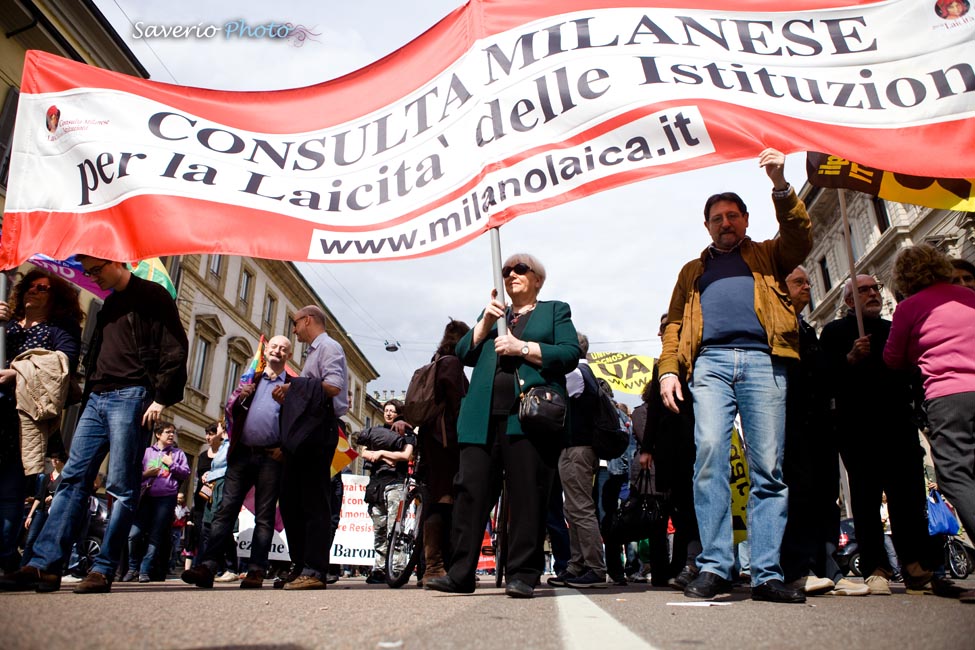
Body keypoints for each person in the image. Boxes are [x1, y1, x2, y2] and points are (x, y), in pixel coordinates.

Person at [657, 148, 812, 604]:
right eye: (716, 217)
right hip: (710, 365)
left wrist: (780, 186)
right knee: (709, 458)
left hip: (764, 361)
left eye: (732, 215)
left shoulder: (767, 255)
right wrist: (669, 371)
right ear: (706, 226)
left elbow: (800, 236)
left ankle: (765, 573)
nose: (725, 223)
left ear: (745, 219)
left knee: (768, 467)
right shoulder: (692, 272)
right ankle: (716, 566)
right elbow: (674, 325)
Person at [0, 256, 188, 594]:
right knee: (72, 479)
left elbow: (175, 348)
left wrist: (161, 398)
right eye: (87, 272)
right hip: (96, 398)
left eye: (95, 270)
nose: (92, 277)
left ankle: (103, 569)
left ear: (116, 262)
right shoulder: (109, 304)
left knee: (121, 485)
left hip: (132, 396)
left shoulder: (153, 296)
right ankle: (45, 565)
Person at [425, 253, 581, 599]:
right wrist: (483, 325)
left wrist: (522, 347)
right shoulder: (493, 314)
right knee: (470, 495)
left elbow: (569, 354)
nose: (511, 274)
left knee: (528, 495)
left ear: (538, 279)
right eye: (506, 270)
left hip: (527, 417)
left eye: (520, 269)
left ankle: (523, 573)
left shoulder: (555, 310)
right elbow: (465, 354)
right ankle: (461, 572)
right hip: (481, 417)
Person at [820, 274, 942, 597]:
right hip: (858, 431)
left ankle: (915, 564)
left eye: (875, 288)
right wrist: (849, 360)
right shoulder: (834, 334)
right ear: (849, 301)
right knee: (865, 499)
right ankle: (876, 568)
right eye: (864, 290)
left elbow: (915, 372)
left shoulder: (893, 329)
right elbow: (824, 379)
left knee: (909, 498)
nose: (873, 293)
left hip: (898, 427)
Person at [883, 244, 975, 603]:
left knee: (955, 476)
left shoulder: (908, 308)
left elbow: (893, 358)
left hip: (948, 396)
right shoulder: (967, 296)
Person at [778, 266, 869, 597]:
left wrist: (847, 360)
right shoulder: (776, 327)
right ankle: (799, 569)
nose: (807, 286)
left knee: (825, 496)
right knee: (798, 495)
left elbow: (823, 374)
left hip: (820, 423)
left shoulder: (807, 329)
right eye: (798, 282)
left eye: (807, 281)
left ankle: (829, 566)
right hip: (792, 422)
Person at [182, 336, 293, 589]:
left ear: (288, 356)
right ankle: (207, 566)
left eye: (283, 349)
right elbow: (229, 412)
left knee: (264, 517)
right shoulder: (250, 379)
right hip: (242, 454)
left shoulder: (291, 385)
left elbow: (296, 423)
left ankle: (256, 570)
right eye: (274, 346)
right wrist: (240, 397)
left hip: (271, 458)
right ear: (266, 350)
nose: (277, 351)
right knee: (225, 510)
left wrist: (284, 449)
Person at [0, 270, 83, 572]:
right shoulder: (7, 324)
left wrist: (17, 372)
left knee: (10, 492)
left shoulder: (61, 328)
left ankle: (5, 558)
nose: (33, 292)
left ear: (56, 298)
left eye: (42, 288)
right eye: (29, 287)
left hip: (22, 418)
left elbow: (65, 363)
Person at [274, 305, 348, 590]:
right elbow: (310, 390)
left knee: (315, 500)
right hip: (304, 432)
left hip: (319, 430)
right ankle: (301, 563)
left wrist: (294, 387)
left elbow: (333, 387)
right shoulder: (312, 353)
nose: (294, 329)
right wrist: (289, 395)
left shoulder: (329, 347)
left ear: (307, 320)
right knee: (291, 499)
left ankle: (315, 569)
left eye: (295, 323)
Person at [639, 313, 700, 590]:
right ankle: (676, 566)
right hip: (667, 448)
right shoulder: (659, 368)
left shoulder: (694, 358)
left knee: (691, 504)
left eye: (671, 329)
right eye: (663, 329)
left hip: (693, 441)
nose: (665, 334)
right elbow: (652, 411)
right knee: (675, 508)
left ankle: (692, 562)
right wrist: (647, 448)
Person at [548, 333, 608, 589]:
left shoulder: (574, 374)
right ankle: (578, 565)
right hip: (582, 449)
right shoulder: (588, 374)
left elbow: (555, 404)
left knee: (580, 509)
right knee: (574, 508)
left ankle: (593, 567)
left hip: (576, 449)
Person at [416, 319, 470, 583]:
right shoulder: (451, 364)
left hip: (431, 440)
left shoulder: (436, 360)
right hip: (446, 441)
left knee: (436, 500)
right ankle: (434, 566)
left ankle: (433, 565)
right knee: (443, 500)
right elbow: (459, 405)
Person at [359, 400, 416, 584]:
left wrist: (381, 453)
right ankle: (379, 568)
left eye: (392, 411)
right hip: (376, 485)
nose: (389, 414)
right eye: (386, 410)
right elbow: (364, 452)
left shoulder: (405, 431)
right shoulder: (375, 431)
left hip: (396, 483)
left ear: (399, 413)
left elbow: (406, 455)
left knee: (395, 529)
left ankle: (397, 568)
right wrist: (385, 456)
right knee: (379, 529)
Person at [124, 422, 189, 582]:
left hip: (166, 499)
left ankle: (144, 571)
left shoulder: (178, 453)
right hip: (146, 497)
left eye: (173, 432)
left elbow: (185, 473)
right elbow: (133, 474)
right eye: (168, 432)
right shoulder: (146, 453)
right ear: (158, 434)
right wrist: (146, 474)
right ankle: (132, 567)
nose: (171, 435)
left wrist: (171, 464)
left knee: (155, 535)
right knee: (134, 534)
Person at [21, 451, 67, 567]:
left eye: (57, 459)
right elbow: (38, 497)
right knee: (31, 539)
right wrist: (31, 515)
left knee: (48, 541)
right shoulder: (47, 477)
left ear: (62, 461)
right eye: (53, 458)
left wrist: (54, 497)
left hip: (54, 513)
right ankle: (24, 565)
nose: (54, 461)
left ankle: (40, 566)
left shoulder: (65, 478)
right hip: (42, 511)